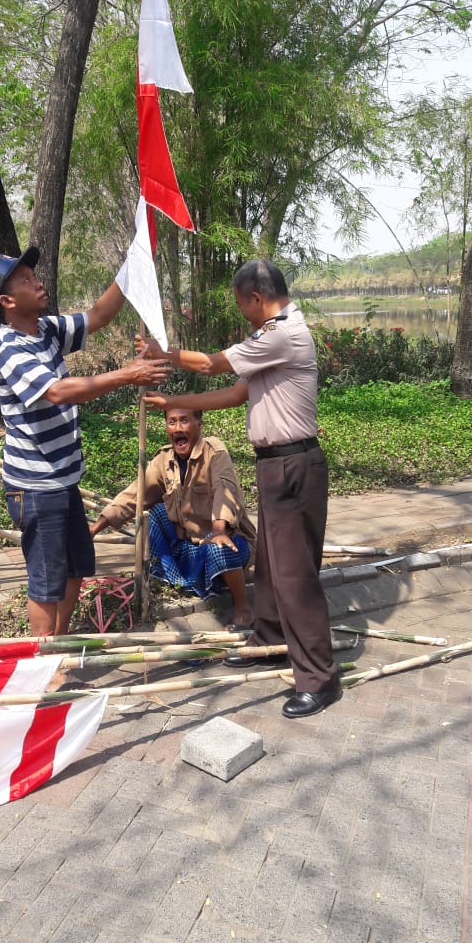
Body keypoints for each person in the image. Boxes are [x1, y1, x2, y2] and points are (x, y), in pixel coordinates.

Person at [140, 258, 341, 719]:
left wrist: (164, 353)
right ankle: (271, 642)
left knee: (296, 576)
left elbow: (213, 366)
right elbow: (234, 394)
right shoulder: (271, 337)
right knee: (271, 567)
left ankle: (318, 677)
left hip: (293, 466)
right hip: (277, 466)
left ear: (255, 297)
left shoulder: (283, 334)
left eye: (241, 305)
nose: (242, 314)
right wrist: (172, 403)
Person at [0, 246, 170, 637]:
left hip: (63, 481)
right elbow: (58, 392)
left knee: (75, 569)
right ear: (8, 300)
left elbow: (100, 314)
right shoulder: (7, 347)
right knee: (47, 582)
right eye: (27, 280)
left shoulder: (45, 330)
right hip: (35, 486)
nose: (38, 282)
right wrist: (126, 375)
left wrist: (132, 262)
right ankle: (43, 669)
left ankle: (59, 651)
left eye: (35, 275)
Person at [89, 406, 256, 628]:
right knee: (156, 512)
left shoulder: (215, 452)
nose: (178, 428)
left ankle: (242, 607)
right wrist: (94, 528)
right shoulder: (163, 459)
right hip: (191, 547)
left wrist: (218, 530)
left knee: (219, 549)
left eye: (184, 421)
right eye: (172, 422)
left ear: (199, 424)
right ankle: (178, 579)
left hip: (228, 542)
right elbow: (134, 495)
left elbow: (225, 489)